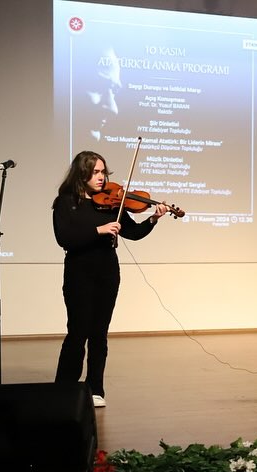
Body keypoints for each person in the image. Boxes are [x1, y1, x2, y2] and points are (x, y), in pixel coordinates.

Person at [52, 151, 169, 408]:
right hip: (78, 273)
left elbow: (133, 232)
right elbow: (65, 238)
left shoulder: (113, 204)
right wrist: (99, 230)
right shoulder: (65, 203)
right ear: (81, 173)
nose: (101, 177)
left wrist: (153, 218)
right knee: (77, 333)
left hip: (107, 273)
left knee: (99, 334)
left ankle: (96, 388)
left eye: (103, 172)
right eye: (95, 172)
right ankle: (64, 388)